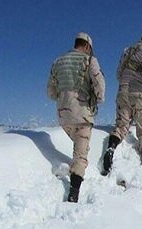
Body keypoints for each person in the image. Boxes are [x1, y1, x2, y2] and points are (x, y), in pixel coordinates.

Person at [47, 32, 105, 202]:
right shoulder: (89, 60)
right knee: (80, 156)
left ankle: (73, 168)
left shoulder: (58, 62)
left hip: (63, 116)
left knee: (80, 147)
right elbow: (99, 83)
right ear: (87, 46)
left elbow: (50, 92)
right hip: (82, 115)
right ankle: (74, 191)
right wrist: (99, 98)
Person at [102, 31, 142, 175]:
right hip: (140, 93)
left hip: (123, 92)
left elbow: (118, 73)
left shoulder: (127, 51)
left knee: (121, 125)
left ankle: (111, 148)